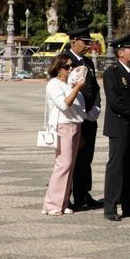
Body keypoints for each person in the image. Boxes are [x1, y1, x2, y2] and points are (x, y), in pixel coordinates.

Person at [100, 36, 130, 221]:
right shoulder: (112, 72)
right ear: (121, 52)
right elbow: (115, 102)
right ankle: (110, 207)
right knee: (116, 168)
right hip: (119, 126)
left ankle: (129, 205)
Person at [42, 51, 87, 215]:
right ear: (58, 68)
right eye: (67, 66)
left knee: (70, 165)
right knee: (63, 164)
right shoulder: (54, 84)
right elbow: (64, 104)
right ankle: (51, 204)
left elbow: (79, 109)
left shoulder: (69, 84)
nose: (71, 69)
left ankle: (63, 201)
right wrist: (77, 88)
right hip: (62, 125)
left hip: (75, 125)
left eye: (72, 66)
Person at [65, 26, 103, 211]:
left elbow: (94, 88)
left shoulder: (88, 62)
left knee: (86, 157)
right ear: (73, 42)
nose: (88, 45)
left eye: (89, 42)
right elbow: (65, 89)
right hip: (74, 117)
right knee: (71, 158)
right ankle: (67, 195)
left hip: (89, 117)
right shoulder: (65, 60)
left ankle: (83, 193)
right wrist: (80, 111)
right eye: (84, 42)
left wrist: (96, 107)